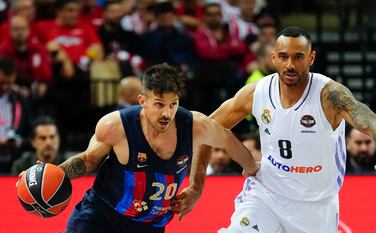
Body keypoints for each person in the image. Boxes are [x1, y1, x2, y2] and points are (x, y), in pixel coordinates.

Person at [174, 26, 376, 232]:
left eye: (298, 57)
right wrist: (196, 185)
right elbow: (207, 130)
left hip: (317, 204)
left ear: (311, 58)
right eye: (284, 57)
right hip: (267, 193)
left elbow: (370, 120)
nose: (290, 65)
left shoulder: (329, 95)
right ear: (273, 57)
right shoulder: (256, 93)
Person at [46, 63, 258, 233]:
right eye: (158, 104)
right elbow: (87, 160)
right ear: (142, 101)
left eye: (173, 104)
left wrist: (249, 168)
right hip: (102, 214)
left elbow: (228, 140)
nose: (166, 113)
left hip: (149, 224)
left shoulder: (194, 124)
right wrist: (55, 173)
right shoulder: (115, 125)